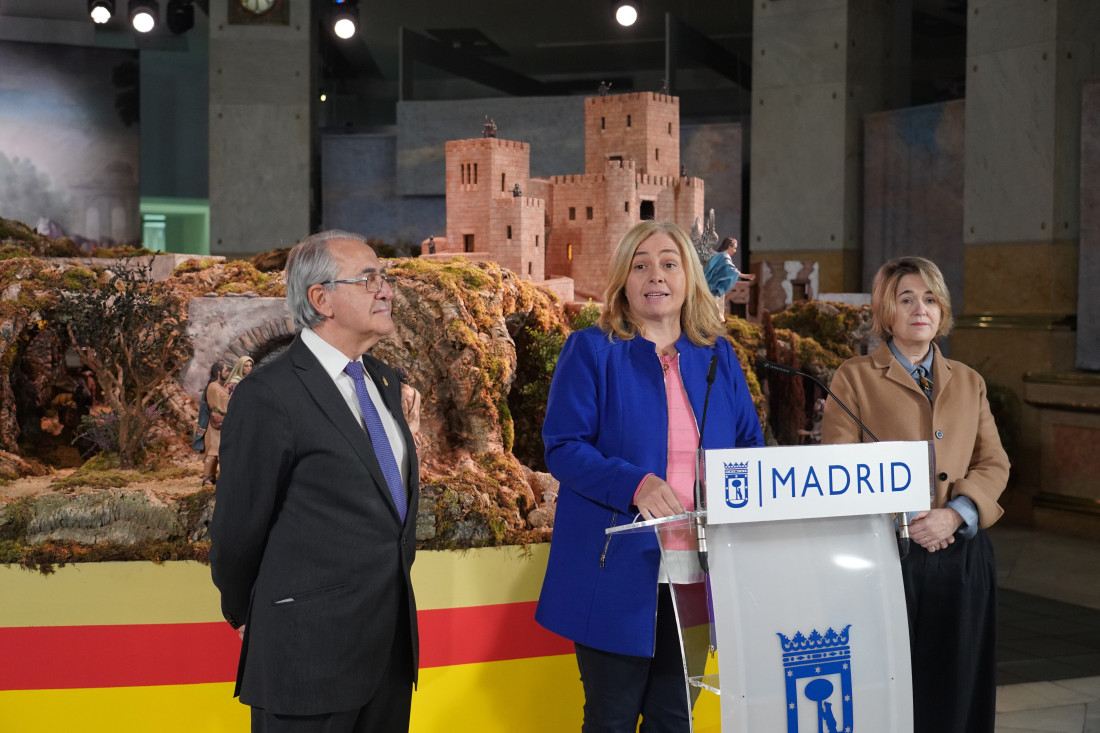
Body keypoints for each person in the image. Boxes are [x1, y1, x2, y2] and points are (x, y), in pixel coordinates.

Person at [535, 220, 764, 732]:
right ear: (623, 280)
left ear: (689, 279)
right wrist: (633, 483)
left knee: (674, 719)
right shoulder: (592, 350)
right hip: (615, 568)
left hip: (699, 572)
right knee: (611, 718)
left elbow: (750, 448)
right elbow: (564, 448)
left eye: (668, 263)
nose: (654, 275)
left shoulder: (718, 356)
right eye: (640, 265)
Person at [209, 230, 420, 733]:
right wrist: (254, 618)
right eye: (368, 279)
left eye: (385, 277)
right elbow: (237, 532)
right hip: (304, 658)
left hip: (388, 653)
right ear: (320, 299)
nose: (386, 290)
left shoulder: (385, 382)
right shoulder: (268, 394)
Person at [820, 256, 1009, 733]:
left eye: (929, 299)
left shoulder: (970, 381)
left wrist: (956, 515)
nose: (919, 309)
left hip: (961, 552)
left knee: (959, 685)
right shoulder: (854, 376)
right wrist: (906, 517)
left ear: (942, 310)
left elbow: (993, 464)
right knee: (887, 687)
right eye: (906, 299)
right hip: (885, 555)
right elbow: (838, 467)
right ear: (886, 311)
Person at [201, 361, 230, 487]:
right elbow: (222, 402)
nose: (227, 373)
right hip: (214, 424)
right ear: (218, 372)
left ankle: (212, 477)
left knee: (217, 451)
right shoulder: (213, 387)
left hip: (219, 423)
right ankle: (206, 478)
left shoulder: (217, 386)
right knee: (212, 452)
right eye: (225, 371)